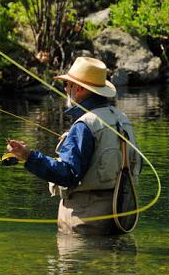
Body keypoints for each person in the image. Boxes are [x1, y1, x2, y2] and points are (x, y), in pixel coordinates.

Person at [7, 57, 141, 235]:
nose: (65, 89)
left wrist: (29, 156)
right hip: (121, 216)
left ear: (78, 89)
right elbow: (136, 165)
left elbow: (67, 174)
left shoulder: (84, 125)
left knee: (76, 261)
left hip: (85, 221)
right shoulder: (121, 118)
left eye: (67, 84)